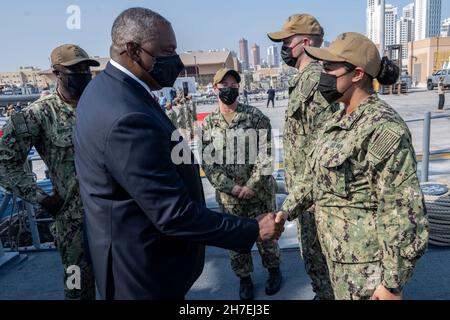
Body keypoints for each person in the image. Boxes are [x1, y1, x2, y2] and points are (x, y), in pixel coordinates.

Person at [73, 7, 282, 300]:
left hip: (134, 255)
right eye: (167, 50)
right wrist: (252, 230)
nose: (176, 60)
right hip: (142, 270)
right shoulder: (125, 115)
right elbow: (172, 213)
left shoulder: (107, 92)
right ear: (133, 50)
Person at [276, 32, 429, 300]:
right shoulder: (337, 118)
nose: (322, 76)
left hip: (366, 269)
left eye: (329, 68)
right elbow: (316, 177)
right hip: (337, 258)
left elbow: (402, 211)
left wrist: (392, 284)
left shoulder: (382, 128)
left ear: (357, 74)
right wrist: (285, 211)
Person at [0, 44, 98, 300]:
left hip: (116, 216)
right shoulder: (38, 114)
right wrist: (41, 198)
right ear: (58, 73)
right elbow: (4, 163)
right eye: (75, 69)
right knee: (79, 289)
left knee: (126, 284)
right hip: (74, 222)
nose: (84, 73)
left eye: (86, 68)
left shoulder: (103, 105)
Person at [267, 13, 336, 300]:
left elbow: (324, 150)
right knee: (317, 263)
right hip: (306, 197)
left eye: (287, 41)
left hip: (316, 200)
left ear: (305, 43)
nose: (284, 47)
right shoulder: (304, 81)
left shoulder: (317, 82)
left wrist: (296, 200)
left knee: (325, 266)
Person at [202, 68, 281, 300]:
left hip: (259, 195)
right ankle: (244, 280)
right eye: (224, 85)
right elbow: (209, 164)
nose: (230, 89)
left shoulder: (256, 117)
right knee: (237, 242)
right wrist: (232, 188)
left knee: (268, 238)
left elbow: (266, 156)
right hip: (230, 199)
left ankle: (274, 271)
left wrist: (251, 185)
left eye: (234, 85)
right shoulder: (208, 125)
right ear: (215, 88)